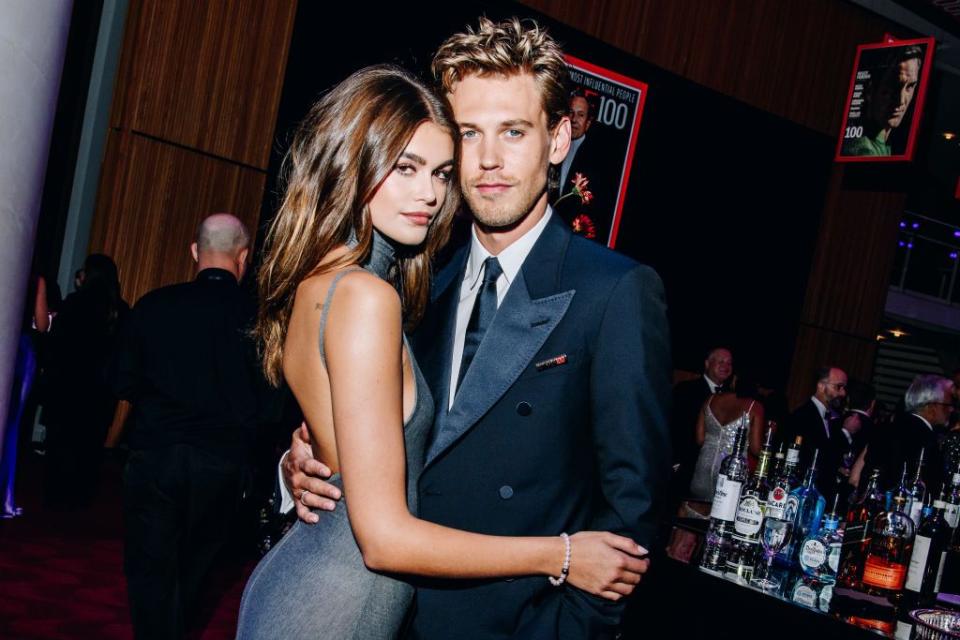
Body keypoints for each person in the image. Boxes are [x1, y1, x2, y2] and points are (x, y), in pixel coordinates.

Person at [237, 60, 656, 640]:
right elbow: (382, 519)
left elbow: (628, 513)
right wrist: (303, 469)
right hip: (366, 608)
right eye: (467, 135)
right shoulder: (408, 294)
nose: (485, 161)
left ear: (559, 139)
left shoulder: (614, 291)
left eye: (513, 131)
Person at [109, 213, 258, 640]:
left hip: (156, 455)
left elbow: (122, 381)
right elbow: (271, 405)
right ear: (243, 257)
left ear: (195, 251)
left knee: (150, 572)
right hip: (222, 465)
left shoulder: (154, 306)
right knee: (197, 570)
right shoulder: (259, 318)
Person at [42, 254, 128, 509]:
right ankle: (81, 496)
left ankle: (56, 496)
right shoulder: (119, 311)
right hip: (100, 390)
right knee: (89, 446)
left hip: (68, 384)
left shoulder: (73, 304)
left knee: (61, 442)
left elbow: (56, 345)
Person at [552, 89, 621, 243]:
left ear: (588, 123)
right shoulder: (550, 145)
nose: (574, 119)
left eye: (581, 115)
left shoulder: (596, 162)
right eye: (571, 112)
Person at [864, 374, 953, 492]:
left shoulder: (886, 427)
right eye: (947, 405)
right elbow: (931, 487)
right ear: (931, 406)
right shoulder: (927, 439)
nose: (951, 409)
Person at [688, 376, 764, 503]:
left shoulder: (710, 399)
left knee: (698, 511)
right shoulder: (754, 407)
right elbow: (756, 449)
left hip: (704, 467)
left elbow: (700, 439)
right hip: (732, 472)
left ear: (734, 381)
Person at [781, 366, 850, 500]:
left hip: (823, 496)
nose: (843, 393)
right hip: (803, 493)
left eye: (844, 388)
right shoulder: (801, 416)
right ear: (821, 386)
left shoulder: (834, 419)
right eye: (838, 387)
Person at [841, 45, 923, 157]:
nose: (901, 100)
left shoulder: (885, 142)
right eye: (894, 86)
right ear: (871, 90)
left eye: (910, 87)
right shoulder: (864, 149)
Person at [670, 347, 733, 492]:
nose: (726, 366)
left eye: (729, 363)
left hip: (717, 474)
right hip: (685, 468)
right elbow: (674, 427)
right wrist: (676, 462)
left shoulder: (733, 398)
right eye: (721, 361)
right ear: (707, 364)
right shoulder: (686, 390)